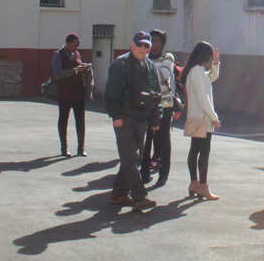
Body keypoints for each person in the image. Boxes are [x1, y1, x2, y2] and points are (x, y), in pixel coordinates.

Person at [104, 31, 163, 212]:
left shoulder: (150, 66)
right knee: (130, 158)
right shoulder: (120, 65)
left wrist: (155, 118)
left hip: (142, 119)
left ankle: (119, 194)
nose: (143, 48)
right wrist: (116, 116)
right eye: (140, 45)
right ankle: (139, 197)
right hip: (125, 118)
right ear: (132, 45)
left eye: (146, 45)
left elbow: (156, 95)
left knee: (133, 159)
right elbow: (110, 94)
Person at [183, 41, 222, 200]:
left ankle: (194, 183)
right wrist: (215, 118)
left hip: (195, 118)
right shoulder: (198, 71)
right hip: (203, 119)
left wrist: (216, 63)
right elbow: (203, 98)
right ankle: (203, 186)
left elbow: (212, 77)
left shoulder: (194, 71)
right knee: (204, 153)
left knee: (195, 151)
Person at [140, 29, 176, 187]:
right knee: (146, 138)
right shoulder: (143, 57)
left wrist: (145, 77)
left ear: (163, 44)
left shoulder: (168, 57)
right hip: (148, 101)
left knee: (163, 137)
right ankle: (145, 172)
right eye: (150, 41)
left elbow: (163, 75)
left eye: (157, 42)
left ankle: (163, 174)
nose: (153, 45)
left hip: (166, 100)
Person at [52, 33, 92, 157]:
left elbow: (78, 67)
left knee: (80, 121)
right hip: (64, 93)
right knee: (63, 120)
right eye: (75, 45)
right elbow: (58, 73)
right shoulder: (58, 55)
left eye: (78, 45)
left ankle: (81, 148)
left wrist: (84, 68)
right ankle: (64, 148)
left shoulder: (77, 54)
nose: (77, 47)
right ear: (68, 43)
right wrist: (75, 70)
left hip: (78, 92)